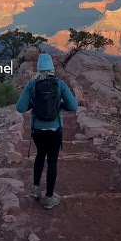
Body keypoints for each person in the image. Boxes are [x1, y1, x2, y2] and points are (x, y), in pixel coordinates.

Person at [16, 53, 78, 209]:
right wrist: (59, 105)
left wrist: (34, 103)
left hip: (37, 129)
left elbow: (20, 108)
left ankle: (35, 189)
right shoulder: (60, 84)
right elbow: (73, 106)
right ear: (51, 68)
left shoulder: (32, 85)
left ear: (38, 68)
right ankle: (50, 198)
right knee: (52, 162)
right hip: (55, 129)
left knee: (39, 156)